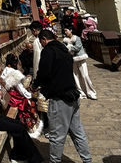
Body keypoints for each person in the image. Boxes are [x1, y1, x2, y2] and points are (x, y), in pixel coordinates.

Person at [33, 29, 93, 163]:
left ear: (43, 39)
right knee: (78, 134)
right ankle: (87, 160)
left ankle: (55, 161)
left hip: (60, 98)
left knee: (57, 136)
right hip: (73, 95)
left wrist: (35, 84)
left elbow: (44, 73)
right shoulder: (64, 50)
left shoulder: (48, 51)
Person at [2, 53, 43, 137]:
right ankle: (30, 127)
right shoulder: (14, 73)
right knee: (27, 103)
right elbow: (20, 89)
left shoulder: (5, 70)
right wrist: (29, 95)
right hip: (14, 96)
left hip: (9, 95)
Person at [63, 28, 97, 99]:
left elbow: (77, 47)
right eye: (65, 31)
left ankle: (90, 92)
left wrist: (69, 47)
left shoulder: (76, 38)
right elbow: (64, 49)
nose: (65, 32)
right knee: (76, 76)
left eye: (67, 30)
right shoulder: (65, 40)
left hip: (80, 58)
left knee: (85, 75)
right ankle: (81, 92)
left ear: (71, 30)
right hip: (72, 59)